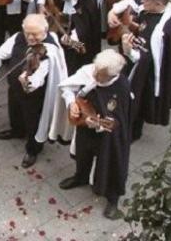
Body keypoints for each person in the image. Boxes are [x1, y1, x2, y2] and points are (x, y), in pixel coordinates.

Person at [0, 14, 68, 168]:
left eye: (35, 34)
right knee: (14, 111)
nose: (30, 37)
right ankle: (17, 131)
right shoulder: (18, 37)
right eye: (27, 32)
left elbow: (40, 76)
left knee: (33, 121)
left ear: (45, 31)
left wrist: (29, 82)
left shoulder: (49, 50)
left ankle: (33, 149)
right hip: (14, 88)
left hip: (34, 96)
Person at [58, 49, 132, 220]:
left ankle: (113, 198)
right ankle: (80, 176)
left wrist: (99, 125)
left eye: (101, 75)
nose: (96, 76)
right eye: (96, 71)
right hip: (86, 125)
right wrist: (72, 104)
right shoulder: (89, 70)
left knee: (112, 162)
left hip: (108, 135)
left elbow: (119, 120)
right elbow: (67, 87)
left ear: (112, 75)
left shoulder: (121, 87)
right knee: (83, 153)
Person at [108, 0, 171, 140]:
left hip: (145, 74)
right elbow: (131, 2)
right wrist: (113, 12)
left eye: (146, 0)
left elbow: (152, 61)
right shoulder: (149, 8)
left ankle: (132, 133)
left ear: (158, 3)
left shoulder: (162, 31)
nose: (142, 2)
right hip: (134, 62)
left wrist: (129, 51)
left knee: (138, 100)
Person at [40, 0, 101, 75]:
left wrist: (72, 41)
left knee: (76, 56)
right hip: (62, 17)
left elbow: (83, 27)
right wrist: (41, 4)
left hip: (81, 24)